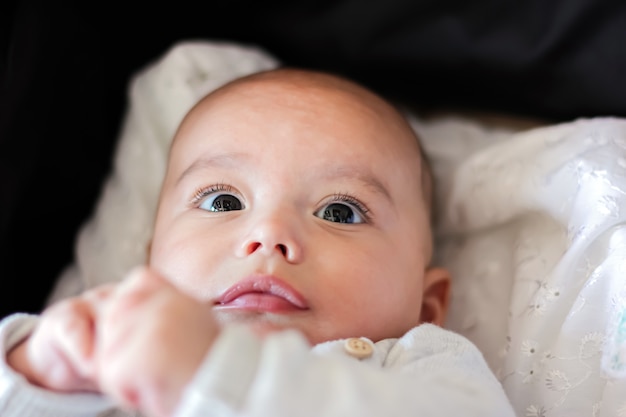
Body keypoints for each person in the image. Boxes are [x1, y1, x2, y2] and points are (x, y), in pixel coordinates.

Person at [0, 68, 515, 417]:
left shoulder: (417, 369)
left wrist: (218, 372)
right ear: (148, 263)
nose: (270, 234)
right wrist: (36, 375)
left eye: (340, 211)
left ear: (426, 307)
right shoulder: (114, 350)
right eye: (223, 201)